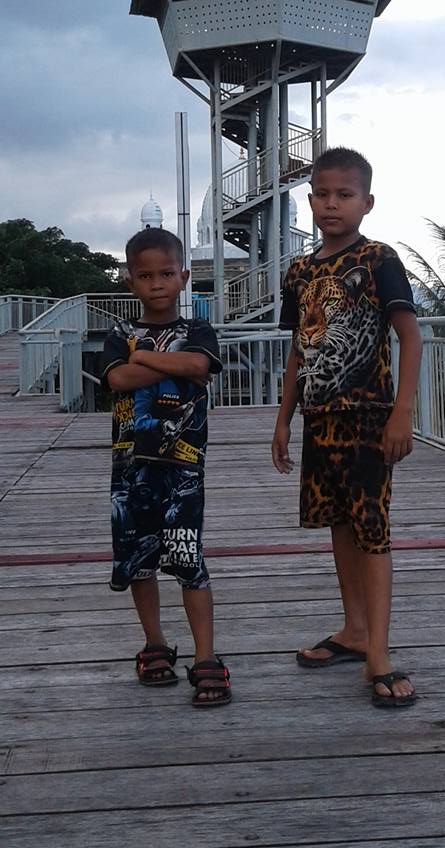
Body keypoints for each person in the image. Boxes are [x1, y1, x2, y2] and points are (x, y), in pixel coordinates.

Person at [271, 147, 422, 708]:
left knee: (371, 529)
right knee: (337, 524)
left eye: (345, 195)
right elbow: (297, 349)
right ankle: (354, 630)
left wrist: (401, 411)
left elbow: (409, 336)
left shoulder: (379, 259)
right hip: (319, 421)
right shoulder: (301, 270)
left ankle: (378, 654)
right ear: (309, 199)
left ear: (367, 202)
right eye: (322, 194)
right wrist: (283, 418)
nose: (331, 205)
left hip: (366, 419)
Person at [101, 227, 231, 707]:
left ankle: (205, 657)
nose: (156, 283)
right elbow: (118, 378)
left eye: (165, 274)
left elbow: (201, 366)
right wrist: (170, 363)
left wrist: (148, 360)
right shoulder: (119, 334)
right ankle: (155, 643)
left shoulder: (198, 329)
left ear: (183, 277)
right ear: (130, 281)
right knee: (139, 562)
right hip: (130, 471)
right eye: (145, 275)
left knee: (189, 560)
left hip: (183, 470)